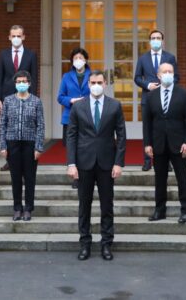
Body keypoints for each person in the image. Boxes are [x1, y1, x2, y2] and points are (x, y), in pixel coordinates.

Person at [66, 71, 126, 262]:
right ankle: (85, 244)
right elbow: (72, 136)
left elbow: (122, 136)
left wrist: (118, 162)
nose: (96, 85)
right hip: (84, 163)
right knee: (84, 205)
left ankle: (106, 244)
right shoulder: (78, 106)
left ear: (105, 83)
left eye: (99, 82)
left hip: (107, 163)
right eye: (93, 82)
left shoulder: (115, 105)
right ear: (88, 84)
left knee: (107, 205)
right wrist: (71, 163)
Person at [143, 62, 186, 224]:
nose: (167, 74)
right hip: (158, 144)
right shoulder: (151, 96)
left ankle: (185, 210)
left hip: (179, 144)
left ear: (174, 74)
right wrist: (147, 144)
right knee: (160, 178)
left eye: (170, 71)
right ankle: (160, 210)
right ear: (158, 75)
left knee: (182, 178)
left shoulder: (184, 94)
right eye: (164, 71)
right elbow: (147, 123)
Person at [0, 70, 46, 221]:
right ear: (15, 84)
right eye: (18, 82)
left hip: (30, 144)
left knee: (30, 178)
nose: (21, 84)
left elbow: (41, 125)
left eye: (24, 81)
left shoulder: (36, 101)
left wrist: (39, 147)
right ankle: (17, 208)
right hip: (12, 143)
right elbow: (2, 124)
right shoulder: (8, 101)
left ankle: (28, 208)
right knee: (16, 178)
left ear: (29, 83)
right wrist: (3, 146)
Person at [133, 28, 179, 171]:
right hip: (148, 98)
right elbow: (137, 78)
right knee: (148, 128)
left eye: (158, 38)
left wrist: (166, 84)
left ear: (162, 41)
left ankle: (168, 160)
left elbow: (177, 77)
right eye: (153, 38)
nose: (156, 40)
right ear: (149, 41)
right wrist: (147, 85)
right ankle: (147, 160)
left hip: (166, 98)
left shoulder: (170, 58)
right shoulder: (143, 58)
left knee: (166, 128)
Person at [0, 25, 39, 171]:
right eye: (13, 36)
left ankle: (25, 158)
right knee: (9, 127)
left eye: (19, 36)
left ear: (24, 37)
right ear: (9, 37)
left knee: (25, 127)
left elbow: (34, 77)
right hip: (7, 96)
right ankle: (10, 160)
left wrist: (33, 97)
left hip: (26, 96)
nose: (16, 38)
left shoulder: (31, 54)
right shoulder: (3, 54)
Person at [58, 47, 91, 189]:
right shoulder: (66, 76)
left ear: (86, 60)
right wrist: (71, 100)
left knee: (85, 146)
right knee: (72, 147)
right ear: (72, 61)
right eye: (76, 58)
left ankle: (86, 175)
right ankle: (75, 177)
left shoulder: (92, 75)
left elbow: (98, 93)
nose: (78, 61)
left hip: (88, 116)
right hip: (70, 116)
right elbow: (60, 97)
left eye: (81, 58)